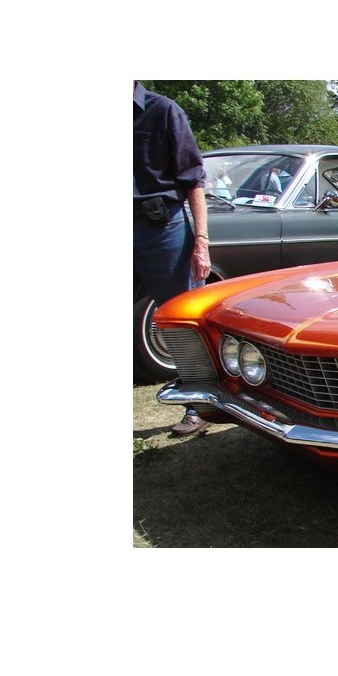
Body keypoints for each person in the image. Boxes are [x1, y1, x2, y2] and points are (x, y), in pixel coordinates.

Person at [133, 81, 211, 436]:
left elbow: (194, 181)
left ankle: (199, 406)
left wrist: (201, 242)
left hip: (161, 227)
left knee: (181, 319)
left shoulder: (164, 111)